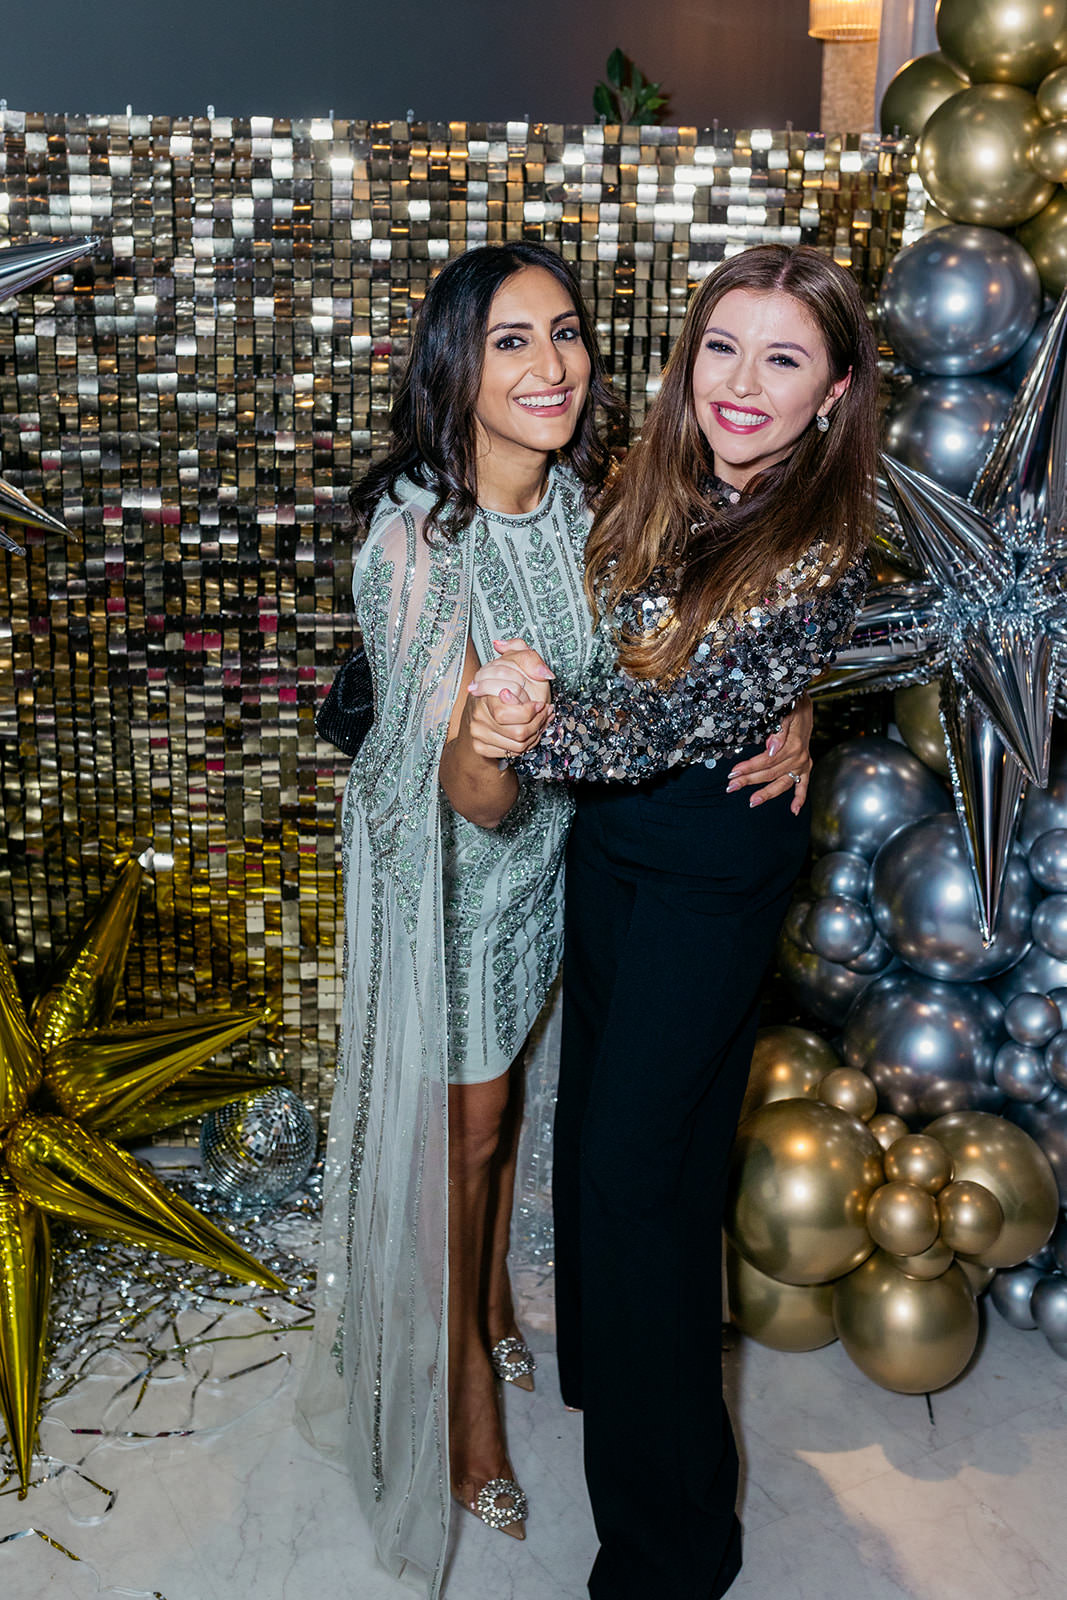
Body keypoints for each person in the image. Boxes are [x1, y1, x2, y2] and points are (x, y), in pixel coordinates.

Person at [298, 241, 814, 1599]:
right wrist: (490, 737)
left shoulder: (591, 498)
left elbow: (697, 632)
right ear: (454, 370)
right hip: (457, 877)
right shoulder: (419, 546)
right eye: (512, 341)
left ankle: (488, 1305)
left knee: (526, 1103)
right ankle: (463, 1383)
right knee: (469, 1131)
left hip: (563, 864)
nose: (552, 365)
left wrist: (798, 703)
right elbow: (466, 802)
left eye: (567, 332)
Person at [468, 244, 877, 1598]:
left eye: (784, 359)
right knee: (614, 1133)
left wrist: (508, 727)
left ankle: (667, 1555)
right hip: (618, 849)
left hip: (709, 864)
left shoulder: (813, 540)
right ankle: (626, 1392)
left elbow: (656, 727)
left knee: (636, 1178)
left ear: (833, 394)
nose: (742, 384)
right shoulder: (653, 478)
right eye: (723, 346)